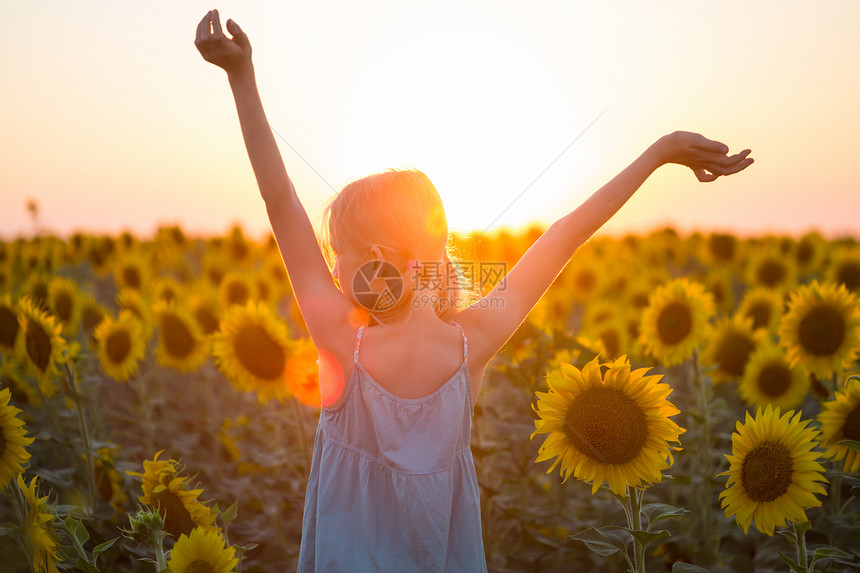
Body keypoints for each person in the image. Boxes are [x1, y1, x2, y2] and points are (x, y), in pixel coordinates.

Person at [194, 9, 753, 571]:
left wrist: (242, 79)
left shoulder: (341, 342)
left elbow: (280, 202)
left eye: (341, 253)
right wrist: (657, 154)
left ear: (384, 261)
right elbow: (565, 236)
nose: (335, 270)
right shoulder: (472, 342)